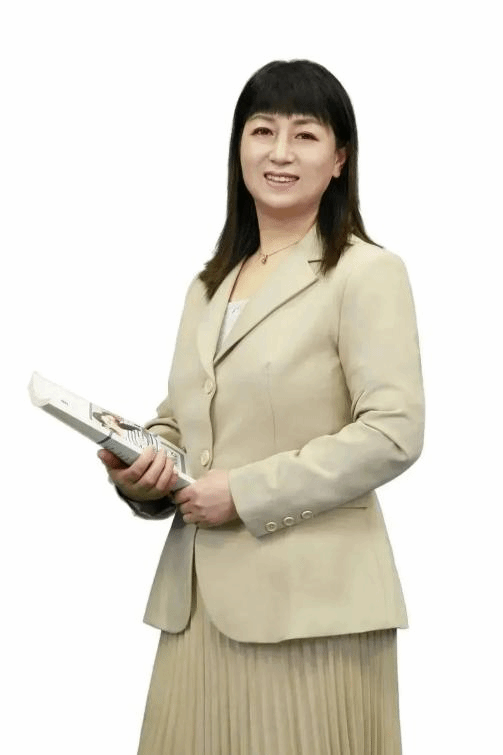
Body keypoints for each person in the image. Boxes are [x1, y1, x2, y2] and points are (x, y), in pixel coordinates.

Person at [98, 59, 425, 755]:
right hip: (195, 610)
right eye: (262, 130)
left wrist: (244, 493)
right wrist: (142, 469)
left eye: (305, 135)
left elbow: (392, 432)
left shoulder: (366, 272)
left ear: (339, 160)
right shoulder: (209, 284)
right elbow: (184, 421)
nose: (280, 152)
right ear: (238, 147)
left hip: (313, 610)